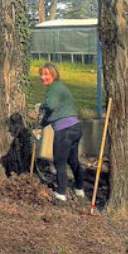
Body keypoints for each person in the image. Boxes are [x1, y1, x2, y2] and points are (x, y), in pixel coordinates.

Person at [35, 62, 85, 202]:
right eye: (41, 74)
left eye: (46, 74)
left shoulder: (54, 87)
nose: (42, 77)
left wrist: (41, 105)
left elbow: (50, 105)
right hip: (75, 127)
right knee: (73, 160)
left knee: (59, 162)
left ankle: (61, 194)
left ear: (53, 74)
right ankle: (79, 189)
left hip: (64, 130)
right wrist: (40, 126)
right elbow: (52, 112)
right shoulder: (59, 88)